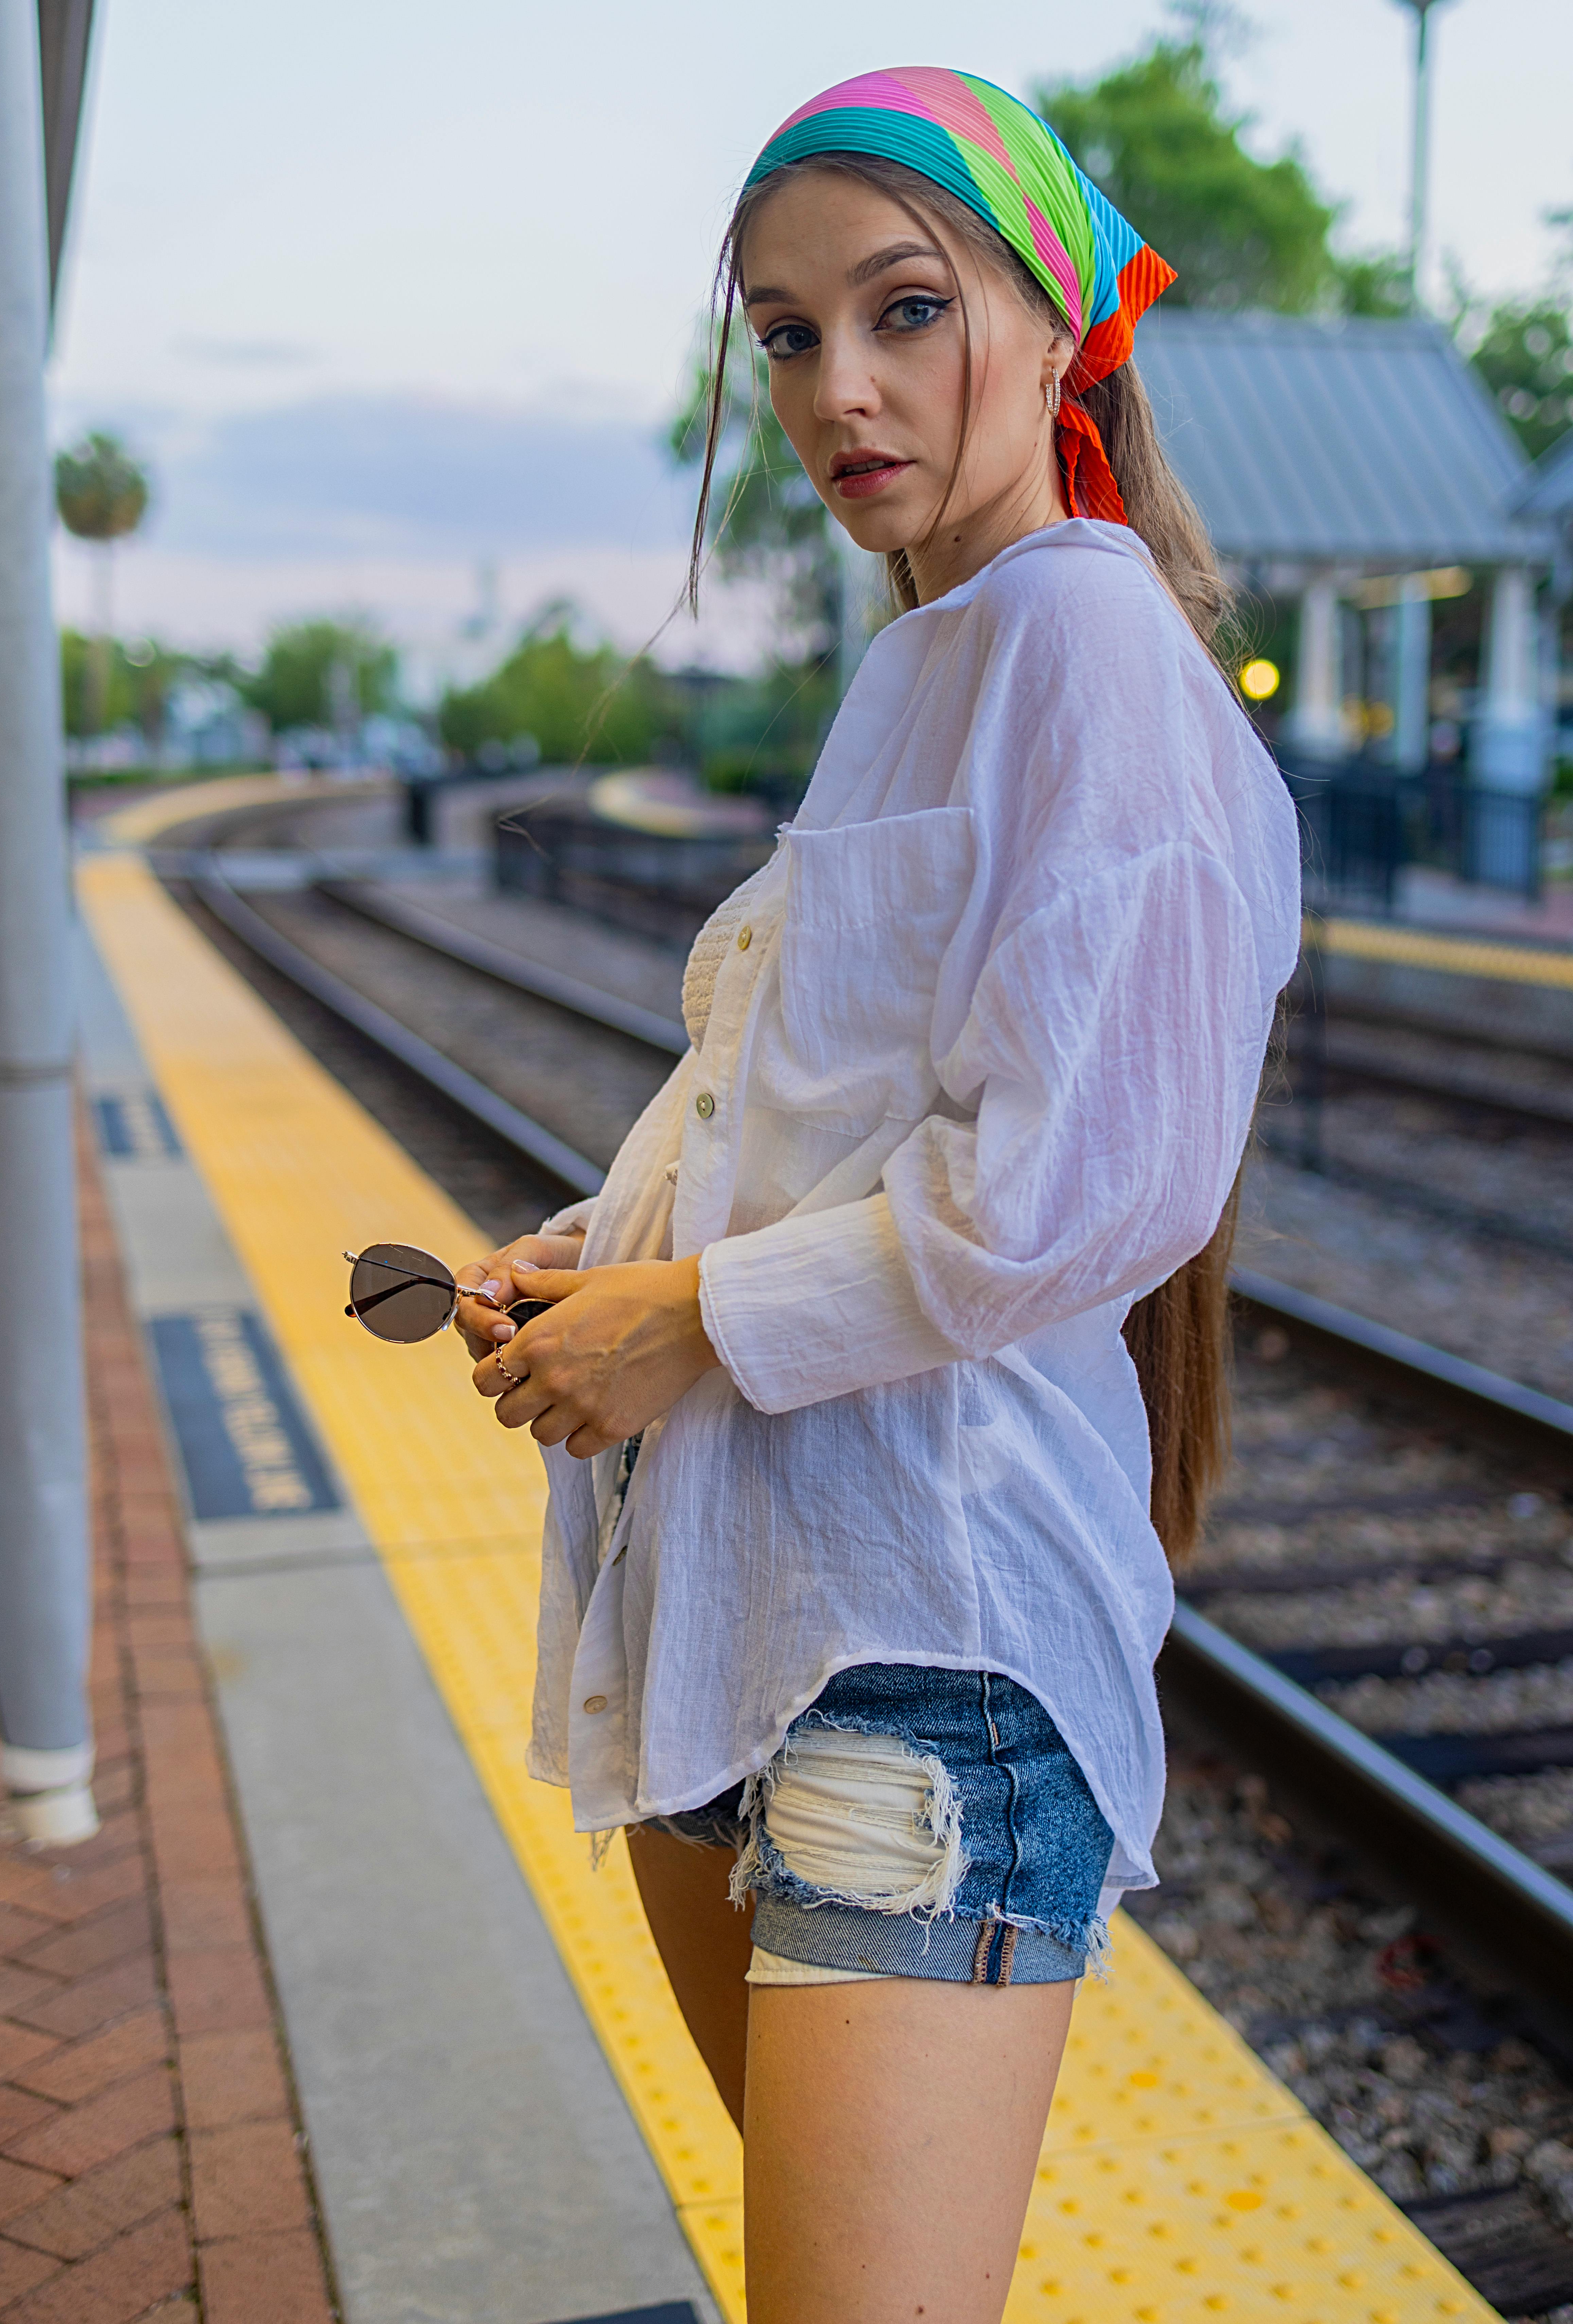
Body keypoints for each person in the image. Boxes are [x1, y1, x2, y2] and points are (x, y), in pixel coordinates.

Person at [455, 66, 1299, 2324]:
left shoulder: (1086, 646)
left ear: (1053, 323)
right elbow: (815, 1095)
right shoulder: (924, 662)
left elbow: (1078, 1183)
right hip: (749, 1634)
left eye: (906, 311)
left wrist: (689, 1322)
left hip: (919, 1671)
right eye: (787, 337)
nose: (843, 387)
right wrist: (592, 1265)